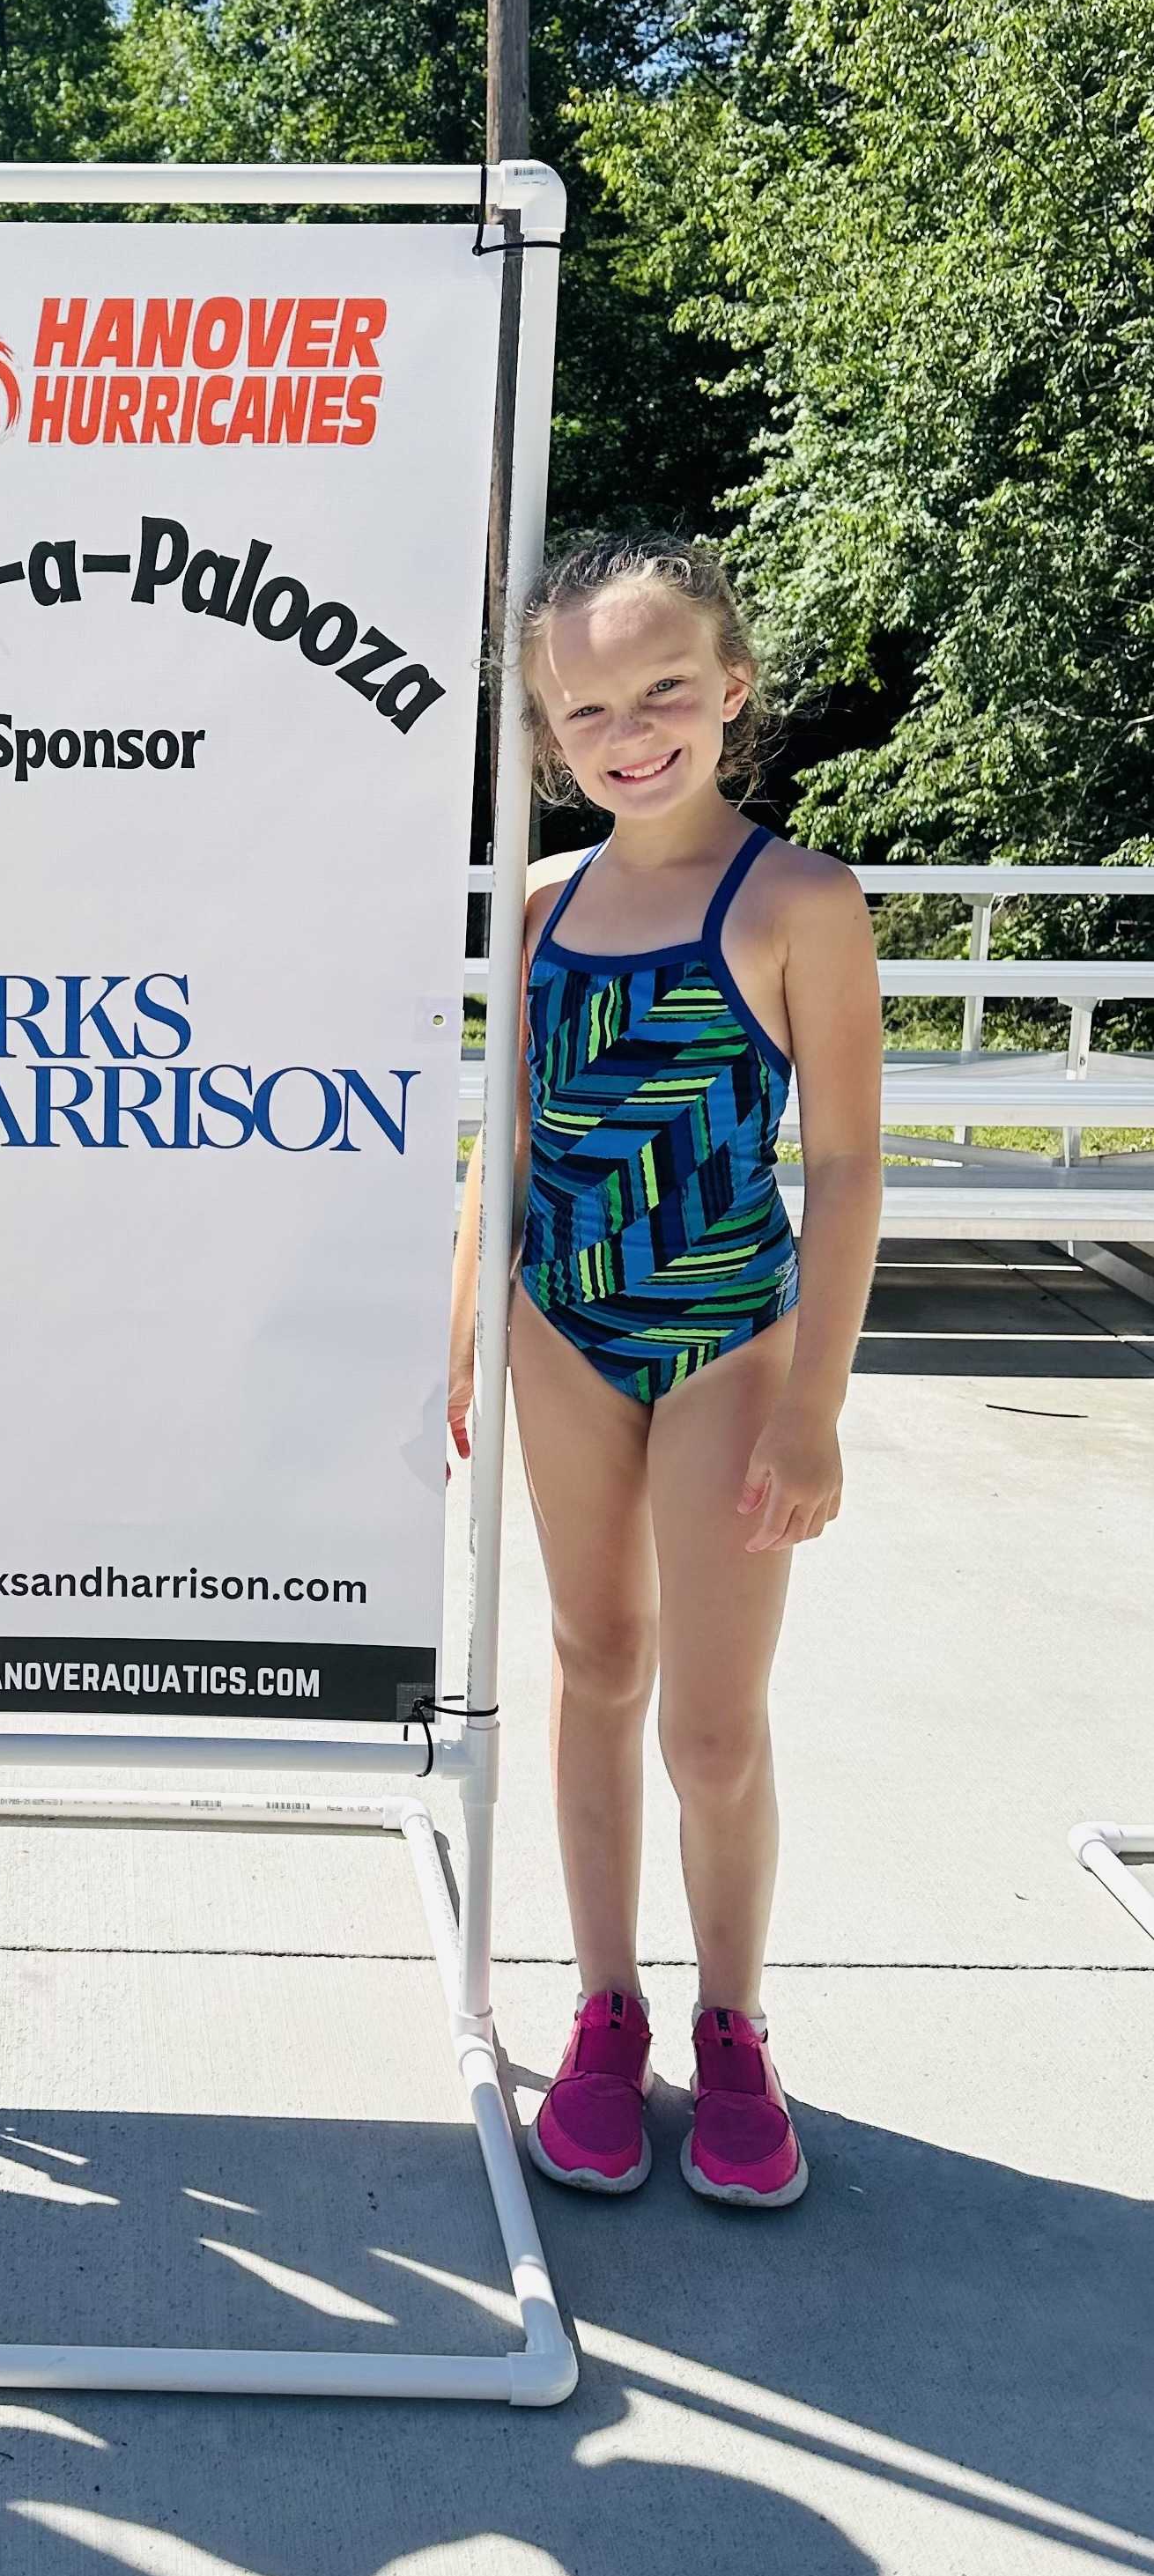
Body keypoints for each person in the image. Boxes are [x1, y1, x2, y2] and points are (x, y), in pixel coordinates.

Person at [448, 536, 882, 2208]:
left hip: (724, 1342)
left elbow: (841, 1163)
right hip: (563, 1332)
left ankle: (732, 2022)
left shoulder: (796, 901)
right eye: (585, 709)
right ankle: (605, 2009)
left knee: (708, 1728)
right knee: (592, 1658)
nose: (627, 732)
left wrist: (813, 1403)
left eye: (662, 691)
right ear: (546, 733)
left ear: (731, 689)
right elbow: (503, 1133)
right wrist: (463, 1311)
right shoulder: (539, 905)